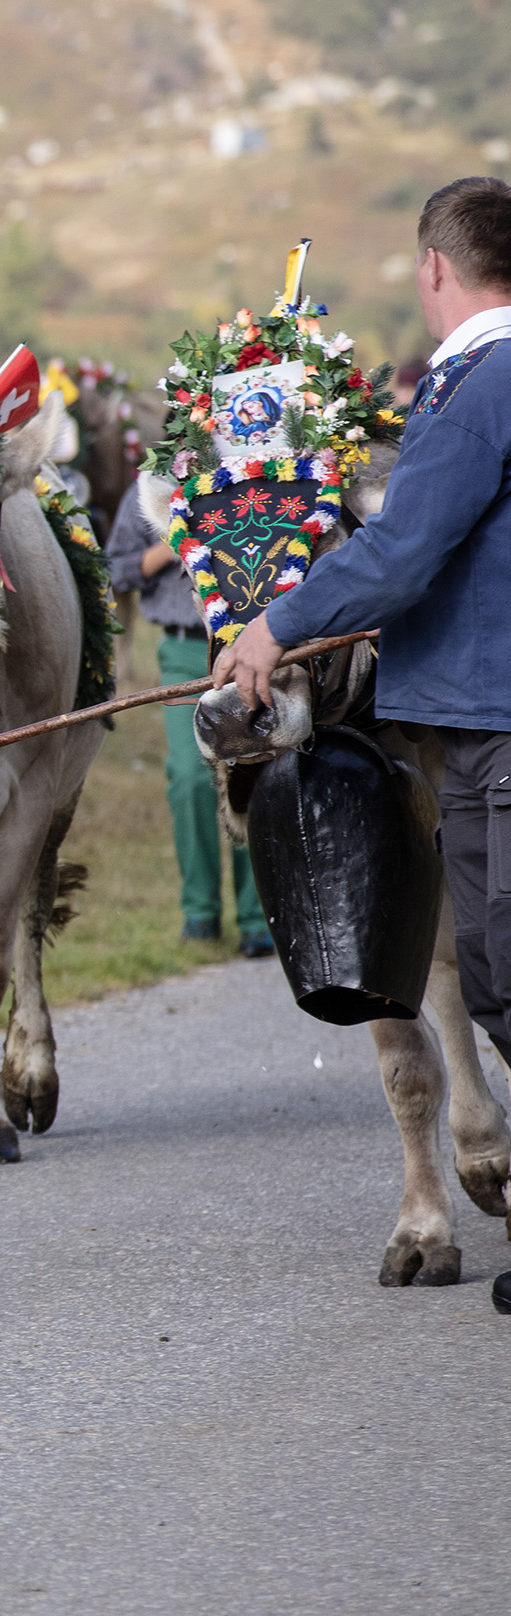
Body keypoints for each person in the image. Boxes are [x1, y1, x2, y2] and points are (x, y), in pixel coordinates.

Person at [212, 177, 511, 1317]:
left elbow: (407, 548)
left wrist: (278, 622)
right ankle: (431, 1173)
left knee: (500, 969)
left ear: (434, 267)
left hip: (493, 715)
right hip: (474, 710)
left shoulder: (481, 384)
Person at [105, 489, 273, 957]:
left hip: (254, 646)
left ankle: (257, 917)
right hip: (184, 650)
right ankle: (199, 911)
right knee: (190, 776)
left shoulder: (253, 469)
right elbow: (116, 568)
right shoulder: (153, 482)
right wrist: (174, 543)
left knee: (251, 769)